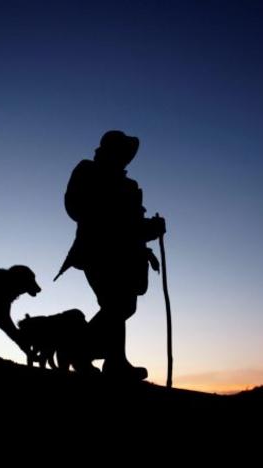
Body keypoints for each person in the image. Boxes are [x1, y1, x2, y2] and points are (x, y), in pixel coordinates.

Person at [55, 130, 165, 380]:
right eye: (123, 151)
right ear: (111, 151)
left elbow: (132, 225)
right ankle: (89, 354)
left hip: (128, 256)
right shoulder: (87, 171)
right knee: (116, 304)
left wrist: (152, 228)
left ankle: (105, 358)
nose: (127, 158)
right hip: (97, 251)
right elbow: (76, 207)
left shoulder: (129, 185)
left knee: (122, 306)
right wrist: (117, 218)